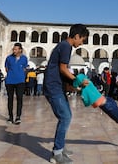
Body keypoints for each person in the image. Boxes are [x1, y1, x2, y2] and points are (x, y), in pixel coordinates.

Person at [43, 24, 89, 164]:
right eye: (82, 40)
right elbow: (63, 69)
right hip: (53, 86)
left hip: (57, 86)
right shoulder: (66, 46)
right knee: (65, 117)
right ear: (76, 36)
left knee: (66, 115)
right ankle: (57, 153)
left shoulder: (63, 45)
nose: (82, 43)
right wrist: (77, 81)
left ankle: (60, 147)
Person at [72, 69, 118, 137]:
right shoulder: (86, 84)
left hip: (107, 104)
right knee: (115, 118)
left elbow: (75, 85)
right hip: (105, 104)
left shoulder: (85, 83)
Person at [5, 42, 28, 124]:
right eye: (13, 49)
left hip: (20, 81)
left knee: (19, 98)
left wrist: (20, 74)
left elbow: (25, 68)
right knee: (10, 99)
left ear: (20, 50)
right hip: (10, 81)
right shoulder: (8, 58)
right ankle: (10, 117)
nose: (14, 50)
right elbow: (6, 68)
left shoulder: (24, 58)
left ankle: (18, 116)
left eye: (15, 49)